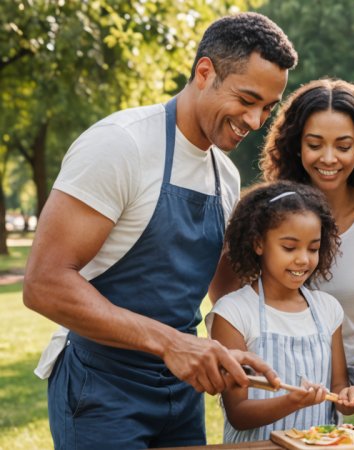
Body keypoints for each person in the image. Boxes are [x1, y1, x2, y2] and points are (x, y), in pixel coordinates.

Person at [23, 13, 297, 449]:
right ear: (204, 72)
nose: (257, 120)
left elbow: (224, 289)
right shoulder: (121, 145)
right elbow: (43, 284)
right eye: (247, 99)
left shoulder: (224, 177)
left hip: (181, 393)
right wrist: (172, 344)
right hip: (102, 389)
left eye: (268, 106)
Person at [256, 78, 354, 387]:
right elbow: (229, 295)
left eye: (343, 146)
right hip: (278, 377)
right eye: (314, 145)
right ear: (296, 146)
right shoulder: (266, 211)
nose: (328, 158)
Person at [207, 181, 354, 443]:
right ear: (259, 244)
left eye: (313, 248)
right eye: (290, 248)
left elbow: (337, 387)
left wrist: (347, 398)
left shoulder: (328, 310)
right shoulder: (233, 313)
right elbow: (238, 413)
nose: (303, 259)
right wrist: (292, 401)